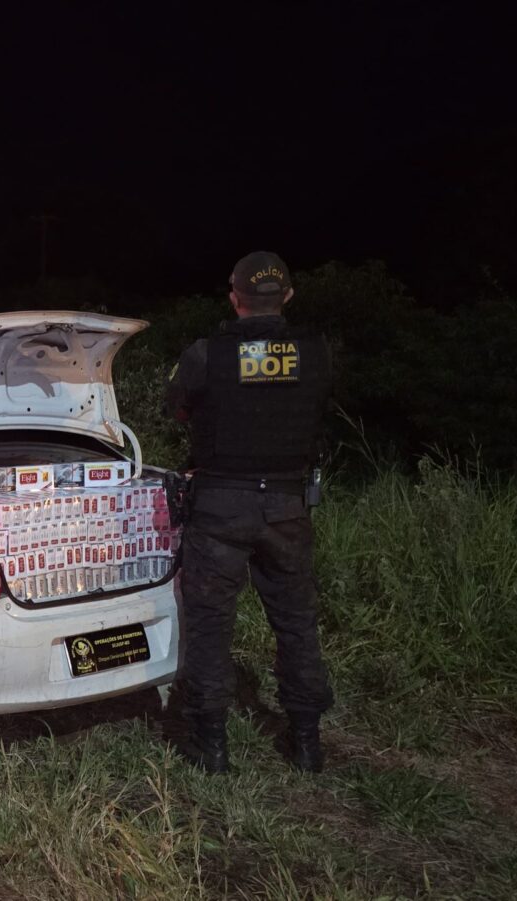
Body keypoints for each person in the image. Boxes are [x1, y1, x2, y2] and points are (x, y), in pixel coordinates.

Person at [164, 251, 334, 774]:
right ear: (287, 295)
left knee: (212, 624)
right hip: (287, 504)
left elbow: (179, 408)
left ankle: (210, 745)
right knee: (296, 622)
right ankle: (306, 742)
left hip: (220, 506)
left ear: (233, 297)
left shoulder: (206, 354)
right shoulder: (318, 351)